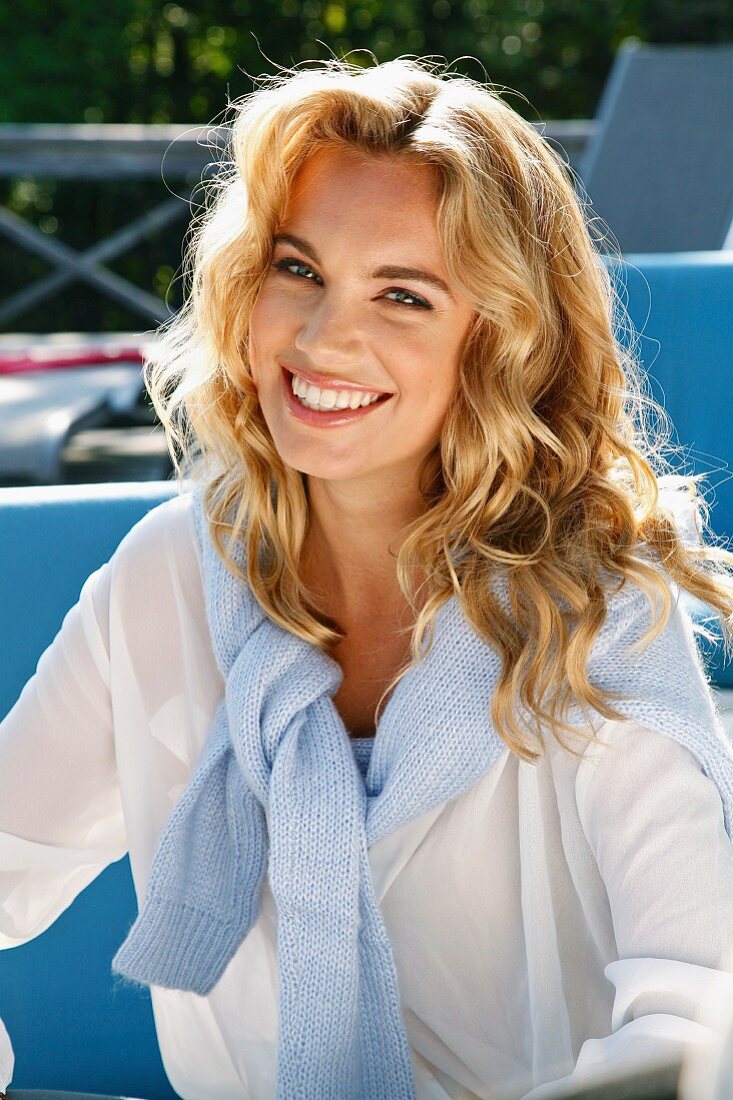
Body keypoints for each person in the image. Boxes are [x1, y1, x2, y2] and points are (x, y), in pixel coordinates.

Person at [2, 55, 733, 1100]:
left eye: (403, 293)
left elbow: (692, 1014)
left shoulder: (596, 611)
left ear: (500, 341)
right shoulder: (167, 574)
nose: (323, 337)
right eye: (297, 269)